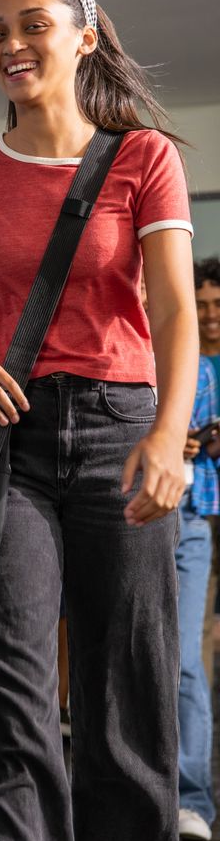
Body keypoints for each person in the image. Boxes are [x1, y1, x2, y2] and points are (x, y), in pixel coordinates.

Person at [0, 0, 196, 841]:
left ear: (84, 36)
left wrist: (169, 437)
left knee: (127, 711)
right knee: (11, 714)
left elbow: (172, 310)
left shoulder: (144, 159)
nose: (11, 43)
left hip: (122, 437)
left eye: (34, 24)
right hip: (9, 447)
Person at [177, 354, 220, 841]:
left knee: (187, 661)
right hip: (118, 516)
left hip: (187, 520)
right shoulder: (113, 349)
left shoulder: (201, 367)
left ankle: (192, 799)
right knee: (124, 658)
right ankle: (128, 796)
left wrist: (199, 442)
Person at [195, 256, 220, 686]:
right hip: (202, 501)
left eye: (218, 303)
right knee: (200, 621)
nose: (211, 314)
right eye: (201, 304)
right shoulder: (184, 360)